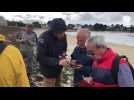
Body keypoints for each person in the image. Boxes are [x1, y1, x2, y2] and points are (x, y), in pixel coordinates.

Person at [37, 18, 70, 87]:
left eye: (62, 32)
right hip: (48, 71)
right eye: (59, 33)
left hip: (58, 69)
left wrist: (64, 55)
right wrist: (57, 61)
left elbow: (64, 48)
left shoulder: (64, 36)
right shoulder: (44, 38)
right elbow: (41, 58)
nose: (61, 35)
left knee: (58, 84)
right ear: (53, 31)